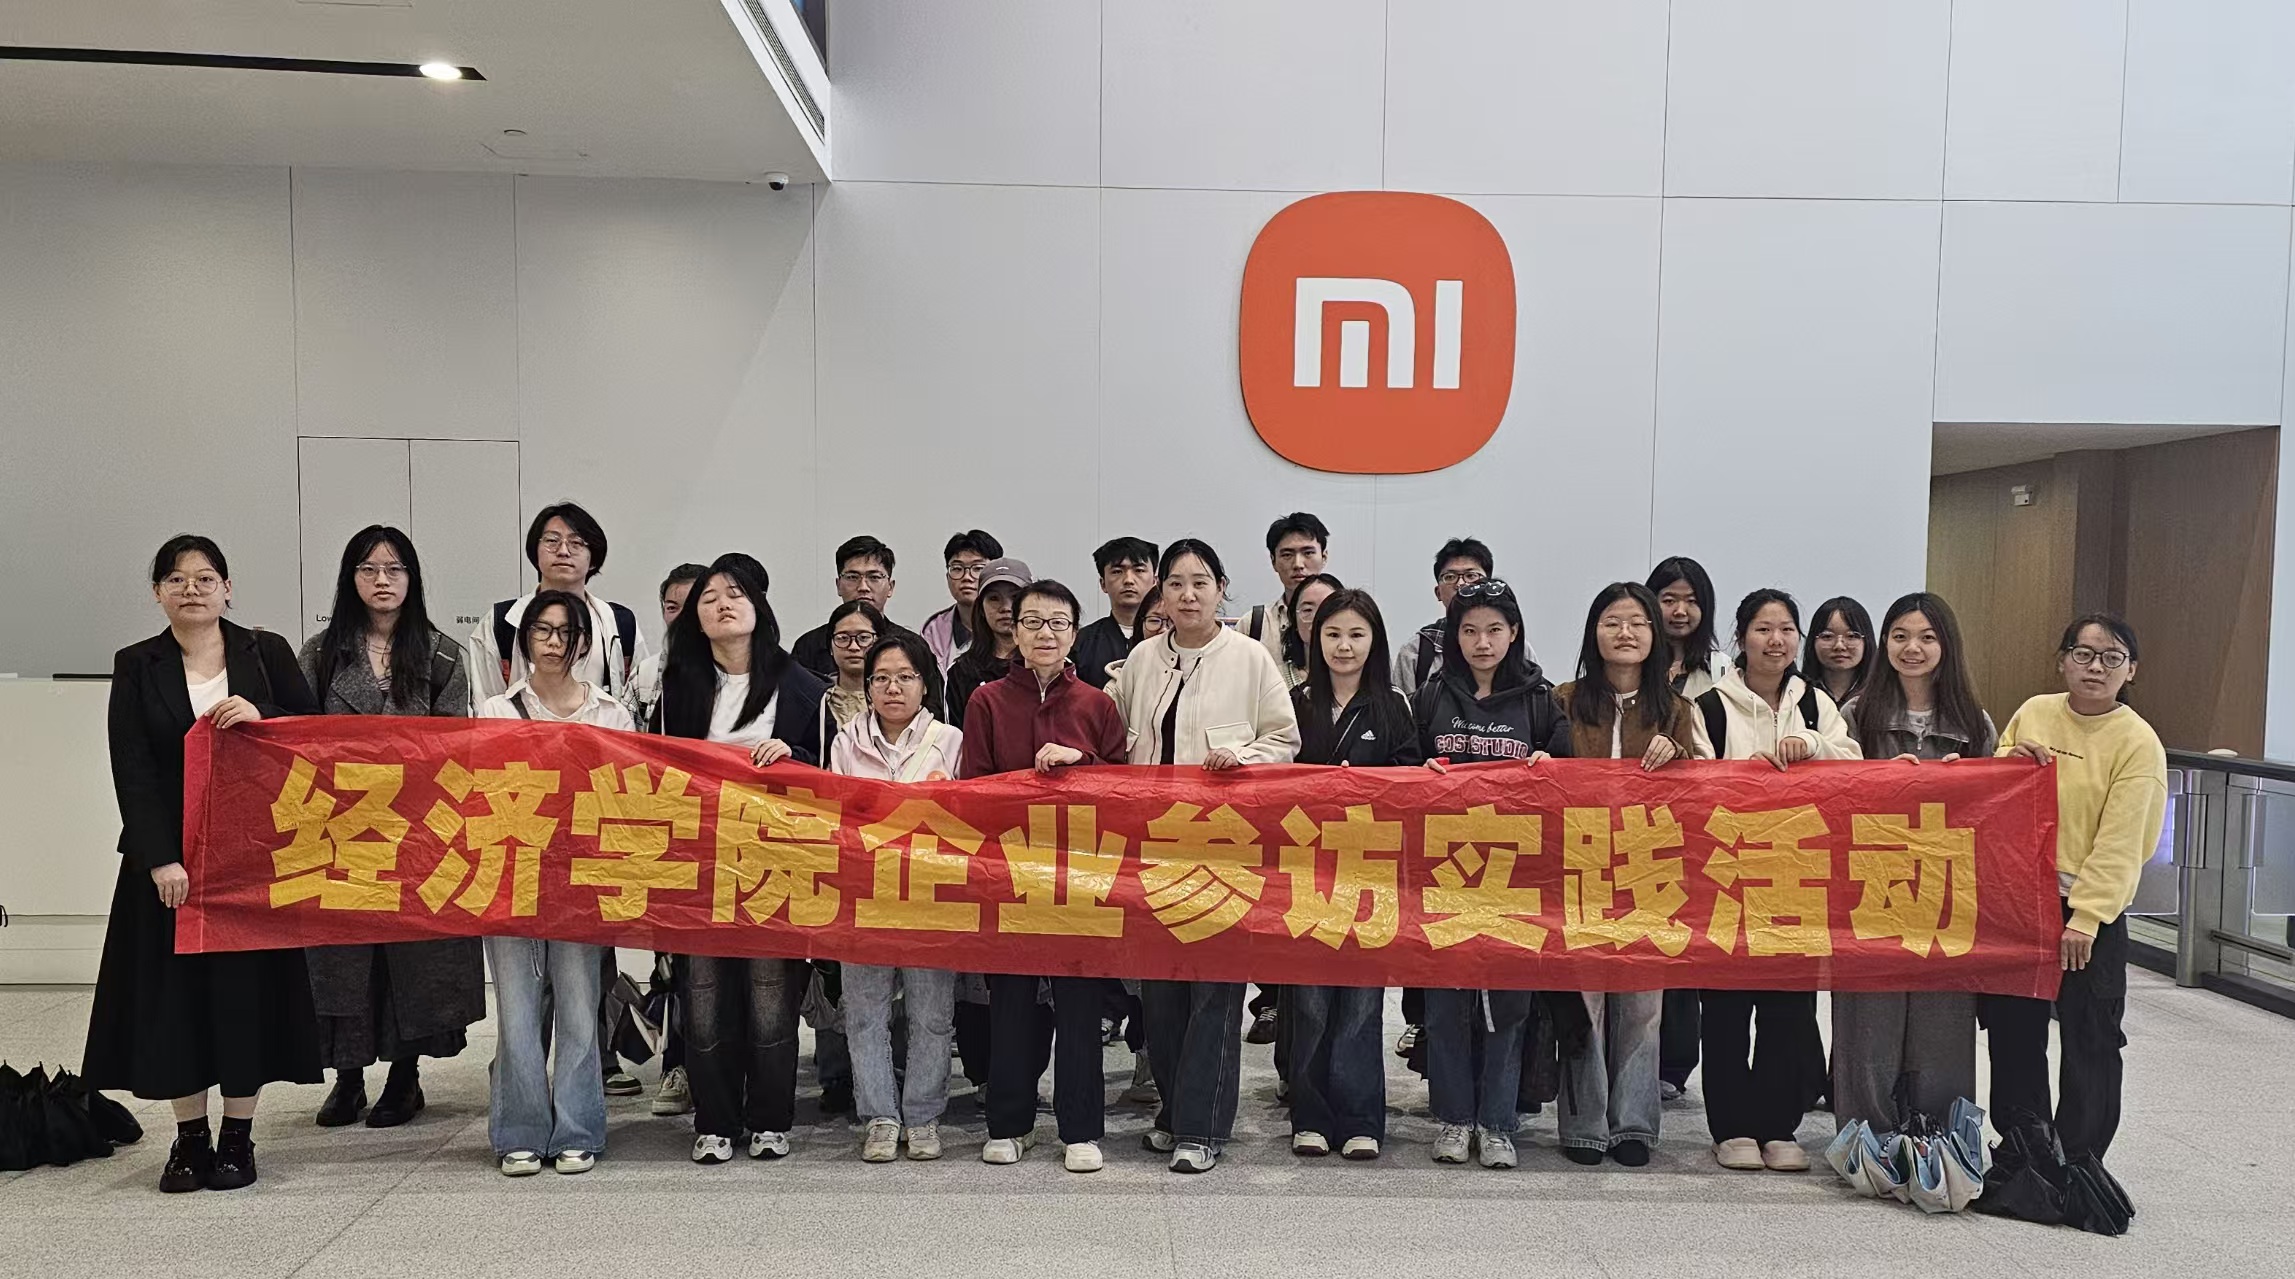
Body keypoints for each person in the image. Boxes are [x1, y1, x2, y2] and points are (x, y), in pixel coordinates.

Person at [86, 535, 322, 1193]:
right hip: (170, 866)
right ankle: (189, 1138)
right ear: (158, 592)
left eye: (205, 577)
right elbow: (131, 765)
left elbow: (313, 732)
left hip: (250, 859)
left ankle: (238, 1137)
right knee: (174, 1000)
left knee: (243, 996)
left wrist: (262, 713)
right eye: (176, 579)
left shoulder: (264, 651)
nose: (191, 589)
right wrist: (159, 858)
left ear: (227, 588)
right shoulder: (137, 663)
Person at [1111, 538, 1300, 1172]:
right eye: (1175, 583)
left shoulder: (1249, 658)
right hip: (1152, 849)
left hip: (1225, 848)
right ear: (1161, 593)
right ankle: (1174, 1112)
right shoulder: (1141, 660)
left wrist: (1241, 758)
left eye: (1201, 582)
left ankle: (1204, 1128)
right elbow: (1117, 744)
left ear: (1221, 589)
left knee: (1215, 994)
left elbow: (1285, 740)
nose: (1188, 595)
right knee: (1161, 995)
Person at [295, 526, 483, 1131]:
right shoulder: (320, 654)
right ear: (350, 579)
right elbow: (294, 744)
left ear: (412, 580)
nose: (382, 580)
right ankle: (348, 1077)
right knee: (345, 959)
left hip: (417, 835)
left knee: (413, 960)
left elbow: (455, 752)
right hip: (341, 833)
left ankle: (405, 1077)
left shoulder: (442, 655)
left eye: (395, 569)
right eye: (369, 569)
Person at [1983, 614, 2166, 1177]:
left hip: (2088, 914)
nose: (2095, 668)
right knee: (2014, 1029)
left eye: (2112, 658)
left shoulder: (2137, 741)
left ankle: (2081, 1161)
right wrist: (2007, 763)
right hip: (2021, 903)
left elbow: (2123, 840)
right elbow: (1994, 793)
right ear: (2062, 660)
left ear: (2131, 671)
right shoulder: (2035, 712)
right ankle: (2024, 1150)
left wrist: (2086, 917)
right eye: (2083, 654)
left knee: (2091, 1037)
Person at [659, 553, 826, 1164]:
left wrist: (794, 756)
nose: (722, 605)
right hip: (700, 865)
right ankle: (715, 1120)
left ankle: (771, 1119)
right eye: (708, 599)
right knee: (703, 996)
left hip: (775, 862)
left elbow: (826, 778)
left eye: (735, 594)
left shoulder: (803, 686)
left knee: (770, 995)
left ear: (759, 607)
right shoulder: (676, 687)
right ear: (695, 619)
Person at [958, 579, 1130, 1172]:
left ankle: (1080, 1129)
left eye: (1058, 623)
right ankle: (1011, 1123)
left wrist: (1083, 763)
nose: (1045, 633)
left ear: (1074, 633)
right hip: (1011, 873)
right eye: (1032, 622)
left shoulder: (1098, 705)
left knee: (1081, 1004)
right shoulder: (986, 701)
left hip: (1082, 875)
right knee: (1011, 1003)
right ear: (1015, 631)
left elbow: (1124, 789)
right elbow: (975, 789)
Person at [1693, 588, 1860, 1172]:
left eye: (1787, 629)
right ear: (1741, 637)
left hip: (1798, 876)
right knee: (1726, 1011)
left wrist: (1812, 744)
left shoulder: (1815, 703)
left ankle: (1778, 1124)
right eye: (1763, 629)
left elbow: (1855, 767)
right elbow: (1695, 787)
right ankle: (1731, 1126)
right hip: (1728, 877)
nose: (1776, 640)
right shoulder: (1710, 706)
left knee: (1788, 1009)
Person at [474, 591, 634, 1176]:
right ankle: (518, 1131)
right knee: (516, 1011)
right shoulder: (495, 710)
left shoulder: (611, 713)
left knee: (579, 1007)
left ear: (583, 641)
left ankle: (578, 1128)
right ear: (524, 639)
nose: (552, 641)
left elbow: (626, 796)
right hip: (511, 871)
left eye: (565, 632)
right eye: (541, 630)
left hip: (583, 876)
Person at [1413, 579, 1569, 1170]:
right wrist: (1419, 771)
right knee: (1445, 1001)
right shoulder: (1431, 696)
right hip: (1443, 871)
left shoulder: (1540, 700)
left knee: (1509, 1004)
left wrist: (1550, 765)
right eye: (1470, 630)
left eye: (1494, 630)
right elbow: (1401, 770)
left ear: (1514, 633)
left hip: (1516, 872)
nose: (1482, 642)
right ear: (1453, 636)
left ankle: (1499, 1121)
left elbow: (1570, 778)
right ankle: (1454, 1117)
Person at [1551, 582, 1705, 1169]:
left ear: (1654, 635)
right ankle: (1585, 1125)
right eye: (1612, 622)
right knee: (1584, 1000)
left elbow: (1706, 790)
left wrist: (1680, 757)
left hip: (1650, 866)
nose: (1625, 633)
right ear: (1594, 633)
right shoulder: (1565, 700)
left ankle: (1635, 1123)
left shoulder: (1679, 710)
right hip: (1580, 863)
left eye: (1637, 622)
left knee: (1642, 1006)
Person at [1835, 592, 1994, 1132]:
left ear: (1947, 645)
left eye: (1927, 637)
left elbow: (1995, 811)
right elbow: (1832, 803)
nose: (1913, 648)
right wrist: (1881, 783)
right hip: (1872, 887)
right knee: (1868, 1023)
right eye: (1900, 636)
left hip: (1946, 891)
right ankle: (1865, 1137)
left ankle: (1941, 1137)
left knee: (1943, 1022)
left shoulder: (1974, 722)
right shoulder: (1856, 716)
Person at [1286, 588, 1420, 1161]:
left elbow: (1411, 782)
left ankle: (1362, 1118)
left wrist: (1365, 787)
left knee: (1364, 1003)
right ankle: (1311, 1117)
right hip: (1306, 873)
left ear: (1375, 641)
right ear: (1316, 640)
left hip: (1371, 873)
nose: (1344, 646)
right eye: (1333, 634)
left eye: (1357, 635)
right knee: (1310, 1001)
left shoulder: (1394, 705)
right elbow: (1275, 778)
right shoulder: (1296, 701)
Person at [828, 631, 966, 1163]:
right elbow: (834, 816)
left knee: (931, 1014)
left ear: (924, 684)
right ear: (867, 686)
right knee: (865, 1013)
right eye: (881, 678)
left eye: (905, 677)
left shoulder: (949, 740)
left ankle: (924, 1115)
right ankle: (880, 1117)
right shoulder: (846, 742)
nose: (892, 688)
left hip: (931, 896)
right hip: (863, 896)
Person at [1644, 553, 1722, 1100]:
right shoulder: (1631, 662)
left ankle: (1673, 1064)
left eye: (1690, 601)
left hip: (1699, 827)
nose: (1678, 610)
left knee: (1687, 945)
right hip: (1640, 829)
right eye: (1668, 599)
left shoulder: (1720, 672)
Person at [467, 501, 651, 711]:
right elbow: (485, 708)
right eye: (552, 541)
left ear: (593, 559)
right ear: (535, 553)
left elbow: (641, 700)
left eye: (576, 543)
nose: (563, 551)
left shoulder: (620, 624)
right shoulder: (501, 622)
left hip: (602, 732)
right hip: (519, 732)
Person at [1395, 537, 1495, 695]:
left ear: (1490, 586)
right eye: (1450, 577)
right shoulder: (1416, 651)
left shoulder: (1514, 644)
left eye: (1471, 576)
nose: (1460, 584)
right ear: (1438, 593)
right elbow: (1401, 709)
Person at [790, 536, 900, 679]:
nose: (863, 587)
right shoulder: (809, 646)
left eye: (874, 577)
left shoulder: (908, 645)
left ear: (890, 587)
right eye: (852, 577)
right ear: (838, 585)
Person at [944, 557, 1030, 727]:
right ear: (981, 608)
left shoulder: (1051, 665)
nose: (1006, 607)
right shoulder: (961, 671)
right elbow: (957, 735)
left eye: (1015, 597)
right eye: (994, 598)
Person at [1242, 512, 1329, 665]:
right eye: (1287, 555)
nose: (1298, 564)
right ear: (1273, 561)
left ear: (1324, 557)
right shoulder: (1254, 624)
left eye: (1308, 553)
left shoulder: (1350, 618)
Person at [1073, 536, 1158, 690]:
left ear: (1155, 581)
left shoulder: (1172, 636)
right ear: (1103, 584)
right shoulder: (1081, 642)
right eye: (1117, 571)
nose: (1128, 580)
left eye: (1139, 570)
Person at [632, 563, 708, 728]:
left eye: (691, 607)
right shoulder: (644, 674)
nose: (681, 618)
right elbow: (625, 736)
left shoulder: (736, 672)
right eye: (672, 608)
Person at [921, 529, 1003, 676]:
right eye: (957, 568)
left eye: (977, 568)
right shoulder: (933, 631)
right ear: (947, 577)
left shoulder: (1010, 623)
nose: (967, 577)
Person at [1804, 595, 1877, 709]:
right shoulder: (1797, 695)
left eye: (1851, 636)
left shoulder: (1883, 696)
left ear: (1867, 641)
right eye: (1827, 636)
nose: (1839, 646)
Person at [1276, 572, 1344, 689]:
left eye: (1327, 608)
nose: (1317, 618)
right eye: (1307, 610)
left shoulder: (1360, 676)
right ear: (1294, 619)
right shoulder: (1274, 678)